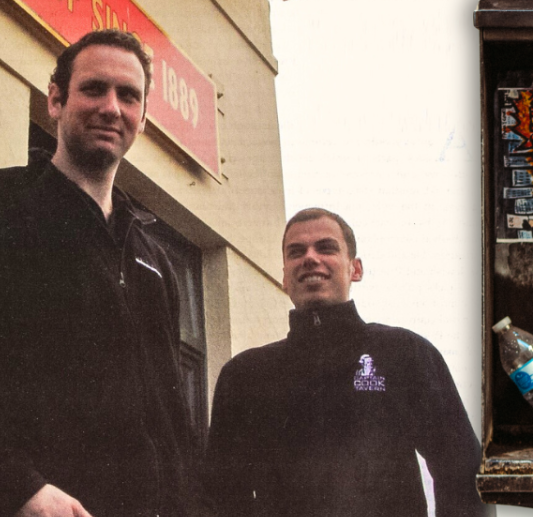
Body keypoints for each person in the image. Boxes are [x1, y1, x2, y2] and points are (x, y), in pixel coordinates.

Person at [0, 30, 206, 517]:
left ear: (142, 118)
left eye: (128, 95)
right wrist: (20, 490)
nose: (111, 107)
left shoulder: (155, 262)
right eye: (94, 89)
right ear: (55, 99)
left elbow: (173, 422)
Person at [203, 209, 483, 516]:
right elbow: (222, 493)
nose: (310, 258)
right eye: (296, 252)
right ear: (284, 277)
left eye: (326, 248)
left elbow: (463, 470)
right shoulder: (245, 375)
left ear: (355, 269)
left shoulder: (405, 354)